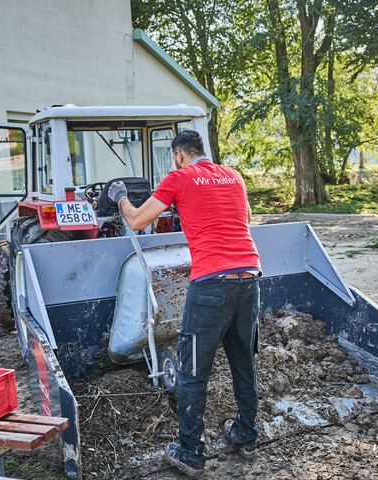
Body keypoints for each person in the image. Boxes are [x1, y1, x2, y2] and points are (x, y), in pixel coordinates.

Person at [107, 129, 261, 478]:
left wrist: (119, 197)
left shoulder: (179, 177)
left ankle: (191, 452)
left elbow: (136, 220)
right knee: (243, 362)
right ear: (202, 151)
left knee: (193, 370)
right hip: (249, 279)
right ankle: (247, 436)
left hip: (210, 286)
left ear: (178, 154)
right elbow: (245, 220)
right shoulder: (234, 176)